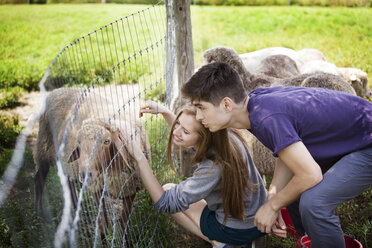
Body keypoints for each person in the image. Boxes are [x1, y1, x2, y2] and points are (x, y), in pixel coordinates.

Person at [181, 62, 372, 248]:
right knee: (292, 191)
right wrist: (274, 197)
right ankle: (317, 237)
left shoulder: (266, 118)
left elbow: (311, 174)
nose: (198, 116)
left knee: (314, 203)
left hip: (366, 143)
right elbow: (286, 151)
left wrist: (272, 208)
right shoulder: (256, 105)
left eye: (202, 107)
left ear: (226, 104)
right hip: (353, 140)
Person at [121, 100, 279, 248]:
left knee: (168, 190)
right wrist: (165, 112)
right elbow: (190, 138)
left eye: (185, 131)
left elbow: (165, 202)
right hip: (259, 214)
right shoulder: (225, 137)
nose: (175, 131)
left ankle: (220, 241)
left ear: (202, 138)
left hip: (239, 228)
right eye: (177, 123)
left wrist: (139, 157)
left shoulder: (212, 167)